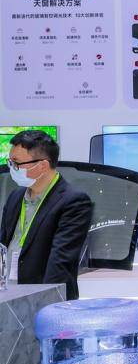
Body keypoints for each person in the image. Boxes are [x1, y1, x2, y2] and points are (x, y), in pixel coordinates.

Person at [1, 129, 91, 300]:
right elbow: (3, 245)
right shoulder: (15, 196)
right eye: (10, 162)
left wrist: (44, 302)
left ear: (42, 165)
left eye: (17, 163)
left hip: (45, 298)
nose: (12, 168)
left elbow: (60, 261)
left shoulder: (74, 201)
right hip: (9, 295)